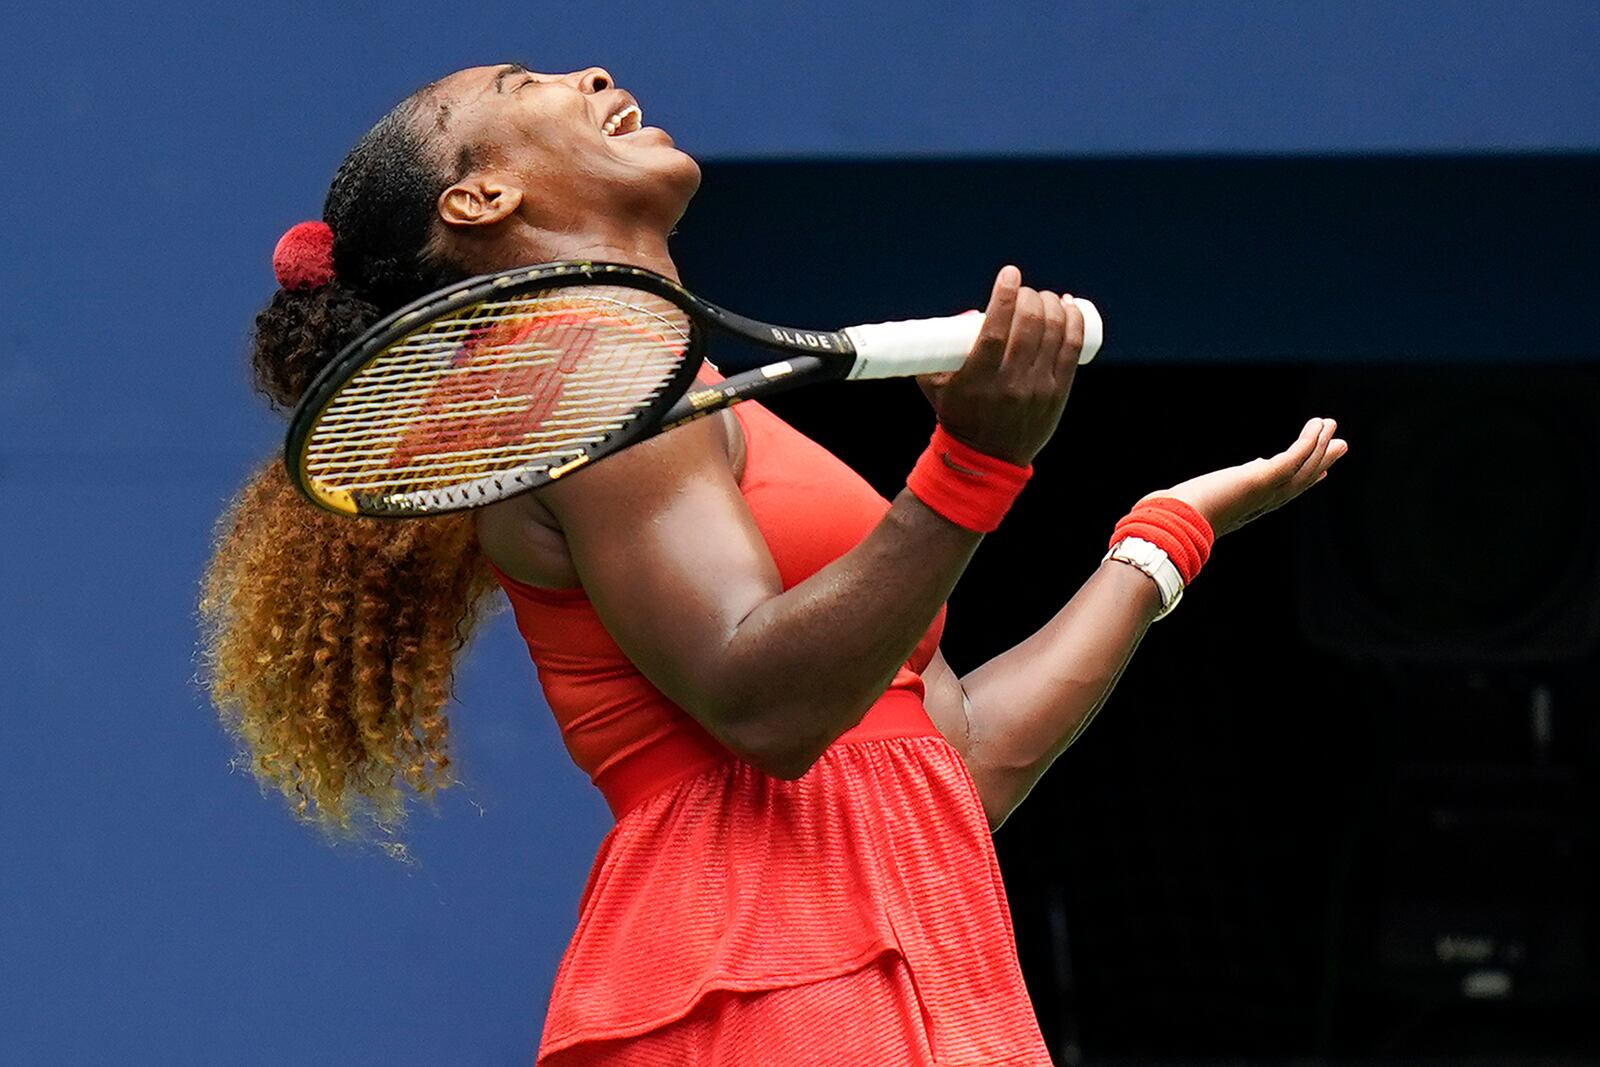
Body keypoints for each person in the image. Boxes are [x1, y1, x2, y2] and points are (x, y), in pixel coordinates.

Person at [201, 64, 1347, 1065]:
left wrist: (1155, 545)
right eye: (523, 83)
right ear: (481, 196)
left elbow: (948, 760)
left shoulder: (664, 383)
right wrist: (971, 465)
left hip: (909, 950)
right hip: (765, 977)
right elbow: (763, 702)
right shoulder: (581, 376)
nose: (592, 73)